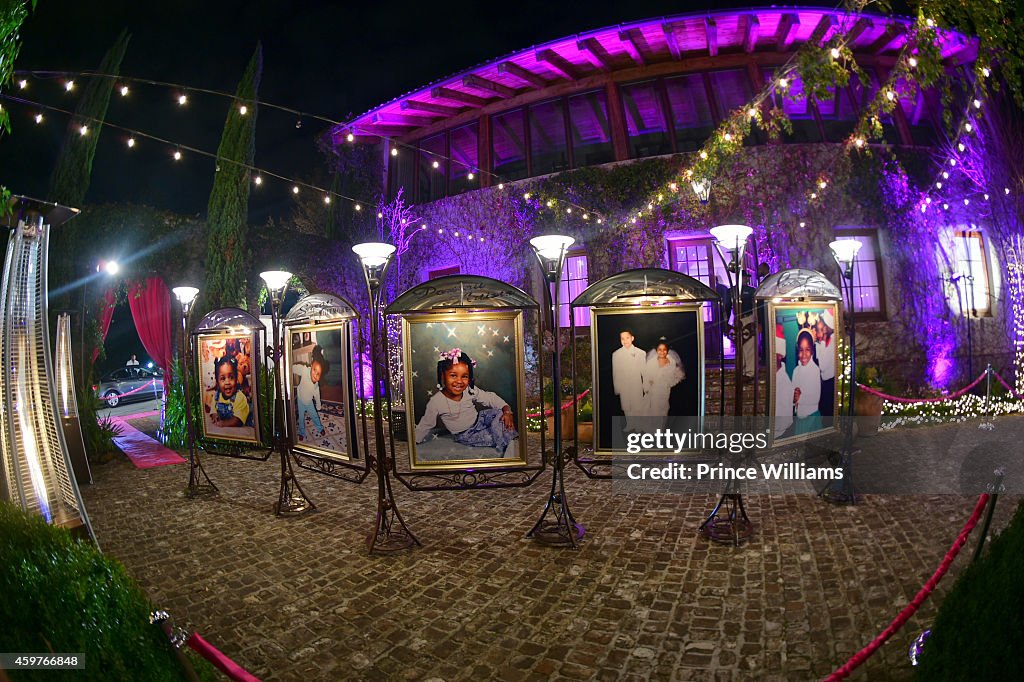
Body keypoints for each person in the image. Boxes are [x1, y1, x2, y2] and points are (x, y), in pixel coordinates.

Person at [414, 349, 518, 457]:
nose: (459, 381)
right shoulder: (436, 402)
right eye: (453, 375)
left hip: (480, 420)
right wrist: (416, 439)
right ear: (442, 376)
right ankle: (507, 444)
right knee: (490, 436)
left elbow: (489, 398)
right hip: (466, 434)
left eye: (464, 376)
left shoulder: (469, 390)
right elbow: (426, 423)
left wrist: (506, 410)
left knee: (500, 414)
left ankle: (505, 437)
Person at [643, 339, 685, 430]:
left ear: (667, 351)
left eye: (664, 350)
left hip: (664, 391)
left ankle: (660, 431)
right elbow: (646, 375)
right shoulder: (651, 363)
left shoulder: (671, 363)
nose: (662, 352)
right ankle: (652, 433)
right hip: (653, 391)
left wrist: (668, 383)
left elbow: (676, 376)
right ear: (656, 351)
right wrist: (648, 384)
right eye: (659, 350)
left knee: (664, 410)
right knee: (653, 411)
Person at [611, 329, 647, 432]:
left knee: (637, 405)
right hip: (624, 384)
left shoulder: (640, 353)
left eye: (627, 338)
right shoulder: (616, 354)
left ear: (632, 338)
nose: (625, 340)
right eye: (622, 338)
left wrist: (646, 385)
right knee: (626, 405)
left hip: (636, 383)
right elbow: (616, 372)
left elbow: (644, 371)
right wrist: (617, 387)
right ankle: (630, 423)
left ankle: (639, 425)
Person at [292, 345, 329, 442]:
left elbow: (317, 396)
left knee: (315, 415)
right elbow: (296, 368)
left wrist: (318, 405)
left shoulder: (316, 385)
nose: (315, 374)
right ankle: (301, 432)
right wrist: (289, 368)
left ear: (321, 377)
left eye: (318, 374)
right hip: (300, 400)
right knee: (300, 419)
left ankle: (320, 428)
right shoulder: (304, 370)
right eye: (314, 370)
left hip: (308, 402)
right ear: (311, 366)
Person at [206, 356, 250, 428]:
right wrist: (214, 415)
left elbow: (238, 420)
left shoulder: (240, 397)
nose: (227, 382)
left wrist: (224, 423)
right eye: (223, 378)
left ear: (236, 379)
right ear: (217, 382)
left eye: (231, 377)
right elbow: (213, 410)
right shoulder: (217, 396)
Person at [791, 330, 822, 435]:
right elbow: (794, 396)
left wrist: (800, 397)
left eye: (807, 350)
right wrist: (794, 397)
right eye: (801, 350)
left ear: (812, 350)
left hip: (812, 419)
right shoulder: (796, 371)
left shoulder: (815, 370)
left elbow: (815, 398)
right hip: (800, 419)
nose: (804, 354)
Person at [773, 325, 794, 437]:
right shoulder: (773, 377)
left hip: (779, 434)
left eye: (774, 353)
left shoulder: (785, 383)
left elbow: (784, 420)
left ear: (780, 356)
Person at [815, 310, 836, 424]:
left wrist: (821, 342)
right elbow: (818, 358)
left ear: (826, 329)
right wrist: (818, 343)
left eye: (820, 329)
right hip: (825, 381)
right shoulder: (825, 342)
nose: (819, 333)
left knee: (828, 412)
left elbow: (822, 365)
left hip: (831, 383)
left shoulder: (832, 342)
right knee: (824, 409)